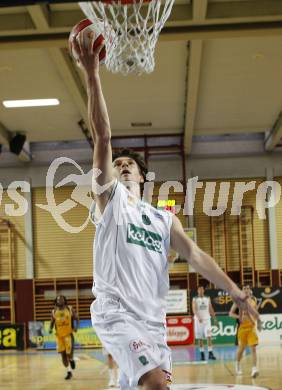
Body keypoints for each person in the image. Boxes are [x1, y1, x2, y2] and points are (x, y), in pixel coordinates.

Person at [72, 29, 258, 390]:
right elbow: (103, 136)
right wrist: (92, 73)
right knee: (155, 383)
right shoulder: (109, 201)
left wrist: (236, 291)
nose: (123, 166)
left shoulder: (162, 218)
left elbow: (196, 255)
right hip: (117, 315)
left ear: (142, 176)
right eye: (118, 163)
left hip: (153, 326)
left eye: (130, 164)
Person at [229, 285, 261, 378]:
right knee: (241, 349)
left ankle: (254, 369)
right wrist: (239, 317)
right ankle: (237, 364)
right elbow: (230, 313)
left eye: (248, 288)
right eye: (244, 289)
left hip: (251, 328)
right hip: (242, 328)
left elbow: (255, 314)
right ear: (242, 291)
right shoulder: (238, 301)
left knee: (253, 348)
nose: (246, 290)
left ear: (250, 290)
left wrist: (255, 320)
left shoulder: (253, 301)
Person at [49, 295, 79, 380]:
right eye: (58, 299)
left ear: (64, 300)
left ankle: (72, 360)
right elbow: (52, 321)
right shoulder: (54, 311)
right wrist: (50, 329)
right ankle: (69, 372)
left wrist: (76, 327)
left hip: (68, 335)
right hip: (59, 336)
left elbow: (77, 318)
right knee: (63, 355)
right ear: (56, 301)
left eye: (61, 299)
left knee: (69, 354)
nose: (60, 301)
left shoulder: (69, 309)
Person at [192, 286, 217, 361]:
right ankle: (202, 353)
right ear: (197, 291)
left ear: (204, 290)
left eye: (202, 289)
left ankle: (210, 353)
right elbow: (194, 309)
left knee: (209, 336)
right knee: (200, 338)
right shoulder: (195, 299)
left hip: (207, 320)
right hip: (198, 320)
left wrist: (214, 318)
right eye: (199, 290)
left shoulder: (207, 298)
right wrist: (198, 316)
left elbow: (211, 308)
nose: (201, 291)